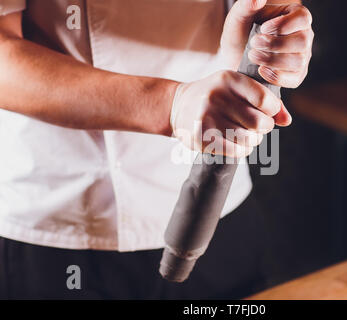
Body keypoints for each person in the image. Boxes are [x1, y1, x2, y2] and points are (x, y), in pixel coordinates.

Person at [0, 0, 313, 299]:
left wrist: (269, 37)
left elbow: (270, 6)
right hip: (55, 224)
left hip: (220, 214)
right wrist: (170, 107)